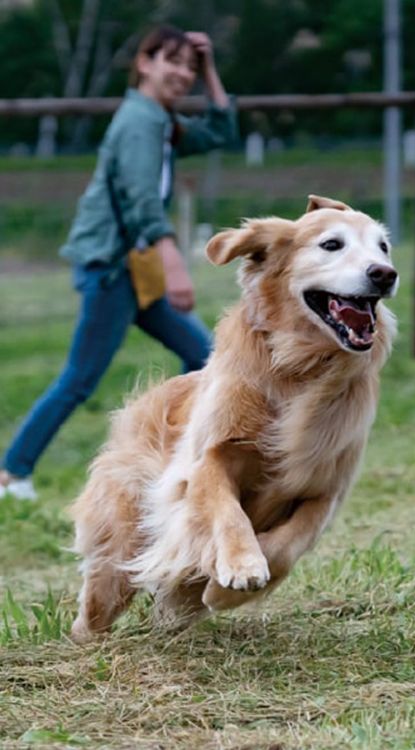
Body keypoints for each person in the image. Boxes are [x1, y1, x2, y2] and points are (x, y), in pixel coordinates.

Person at [0, 25, 237, 501]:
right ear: (145, 63)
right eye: (173, 61)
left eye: (190, 67)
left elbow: (222, 130)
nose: (183, 73)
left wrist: (210, 70)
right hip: (114, 268)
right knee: (80, 377)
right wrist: (174, 265)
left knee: (205, 357)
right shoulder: (138, 122)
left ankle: (180, 462)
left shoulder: (161, 122)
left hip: (135, 268)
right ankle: (11, 473)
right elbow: (140, 202)